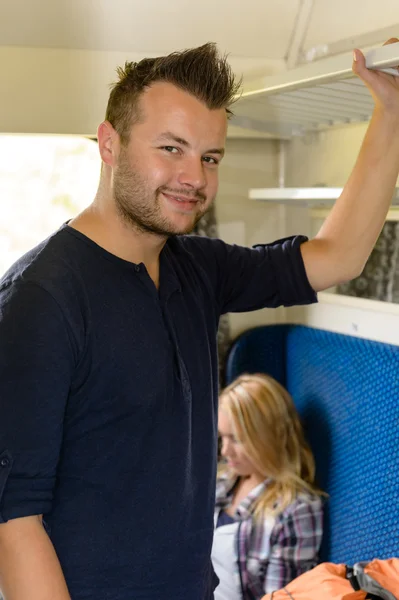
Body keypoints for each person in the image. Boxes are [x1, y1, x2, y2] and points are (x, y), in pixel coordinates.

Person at [0, 39, 398, 600]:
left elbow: (339, 257)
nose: (195, 178)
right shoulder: (40, 299)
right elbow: (15, 523)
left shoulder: (196, 268)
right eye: (171, 148)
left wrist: (391, 110)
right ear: (109, 143)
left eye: (210, 157)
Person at [213, 373, 324, 599]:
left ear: (266, 437)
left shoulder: (295, 510)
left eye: (236, 439)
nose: (225, 451)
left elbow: (280, 595)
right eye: (222, 438)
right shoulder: (224, 480)